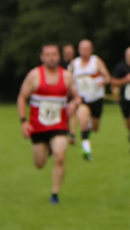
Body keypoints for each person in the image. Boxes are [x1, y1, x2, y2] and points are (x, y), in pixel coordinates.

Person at [17, 43, 82, 204]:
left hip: (59, 125)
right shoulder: (34, 75)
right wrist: (23, 121)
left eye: (54, 54)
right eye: (47, 54)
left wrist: (74, 104)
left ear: (59, 57)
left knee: (60, 157)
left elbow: (77, 97)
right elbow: (22, 97)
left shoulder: (66, 76)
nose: (51, 57)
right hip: (38, 127)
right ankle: (49, 149)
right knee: (39, 163)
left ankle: (54, 194)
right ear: (42, 57)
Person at [70, 39, 110, 160]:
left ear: (91, 50)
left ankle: (89, 124)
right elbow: (68, 79)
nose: (85, 52)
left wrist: (103, 82)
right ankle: (86, 150)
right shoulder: (74, 64)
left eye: (87, 49)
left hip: (96, 98)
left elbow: (107, 76)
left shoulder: (96, 61)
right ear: (79, 50)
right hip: (82, 99)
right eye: (82, 49)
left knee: (95, 128)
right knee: (83, 121)